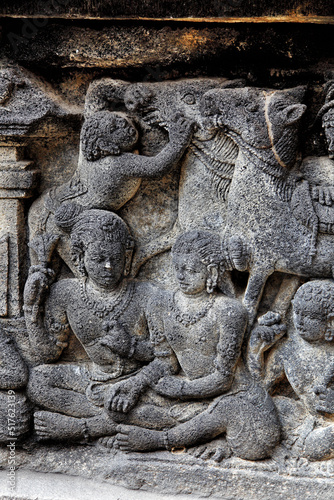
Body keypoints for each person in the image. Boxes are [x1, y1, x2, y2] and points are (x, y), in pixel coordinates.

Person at [105, 231, 280, 461]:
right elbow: (165, 361)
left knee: (227, 414)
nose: (182, 276)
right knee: (115, 409)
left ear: (212, 272)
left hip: (238, 400)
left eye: (191, 270)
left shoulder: (228, 311)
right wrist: (135, 384)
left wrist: (180, 390)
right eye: (178, 268)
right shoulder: (159, 304)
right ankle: (200, 435)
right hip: (191, 397)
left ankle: (160, 440)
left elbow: (224, 378)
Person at [25, 204, 161, 442]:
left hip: (138, 381)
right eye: (99, 259)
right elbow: (48, 354)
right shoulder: (66, 293)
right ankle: (113, 419)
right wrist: (31, 310)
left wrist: (132, 348)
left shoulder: (145, 294)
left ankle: (84, 427)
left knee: (161, 403)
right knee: (37, 381)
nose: (108, 267)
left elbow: (167, 357)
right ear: (80, 257)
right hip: (94, 376)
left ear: (126, 257)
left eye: (116, 259)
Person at [28, 110, 194, 275]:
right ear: (105, 145)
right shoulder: (117, 163)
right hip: (57, 218)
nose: (123, 124)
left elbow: (96, 108)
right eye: (114, 128)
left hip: (51, 204)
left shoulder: (90, 145)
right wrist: (178, 142)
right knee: (87, 278)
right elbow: (157, 167)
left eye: (119, 119)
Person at [248, 279, 334, 461]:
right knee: (270, 407)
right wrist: (255, 349)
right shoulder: (287, 350)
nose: (300, 322)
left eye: (310, 316)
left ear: (330, 321)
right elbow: (260, 388)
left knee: (318, 446)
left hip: (327, 426)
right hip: (303, 421)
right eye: (297, 312)